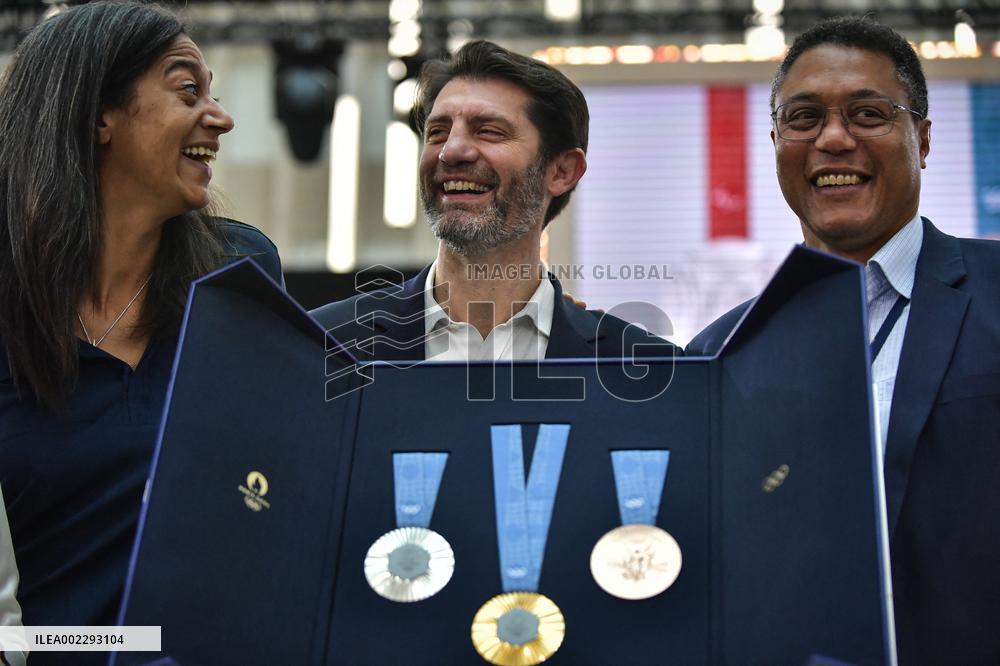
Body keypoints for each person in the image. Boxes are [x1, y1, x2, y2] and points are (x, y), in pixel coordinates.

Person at [687, 17, 1000, 664]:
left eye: (868, 114)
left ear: (922, 137)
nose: (833, 139)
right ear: (775, 140)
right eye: (803, 118)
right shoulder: (719, 354)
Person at [0, 2, 283, 658]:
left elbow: (274, 499)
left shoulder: (240, 277)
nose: (220, 116)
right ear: (98, 113)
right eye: (188, 89)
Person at [313, 40, 673, 361]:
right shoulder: (323, 345)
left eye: (488, 131)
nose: (450, 151)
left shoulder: (642, 368)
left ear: (562, 171)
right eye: (437, 132)